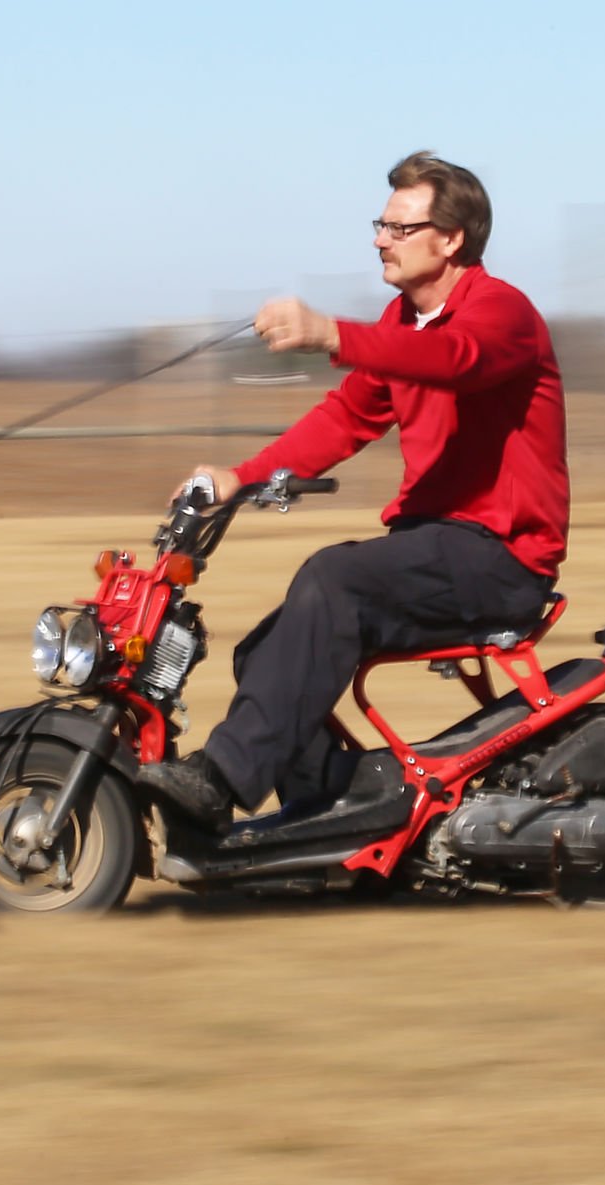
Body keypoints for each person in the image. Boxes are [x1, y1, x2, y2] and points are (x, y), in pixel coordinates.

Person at [137, 150, 568, 829]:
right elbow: (346, 417)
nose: (378, 240)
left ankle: (219, 779)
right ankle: (328, 814)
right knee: (264, 652)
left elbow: (456, 361)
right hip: (432, 549)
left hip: (500, 558)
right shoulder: (402, 322)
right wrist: (237, 478)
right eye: (380, 224)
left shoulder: (501, 312)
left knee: (332, 578)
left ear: (450, 239)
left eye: (398, 227)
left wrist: (331, 333)